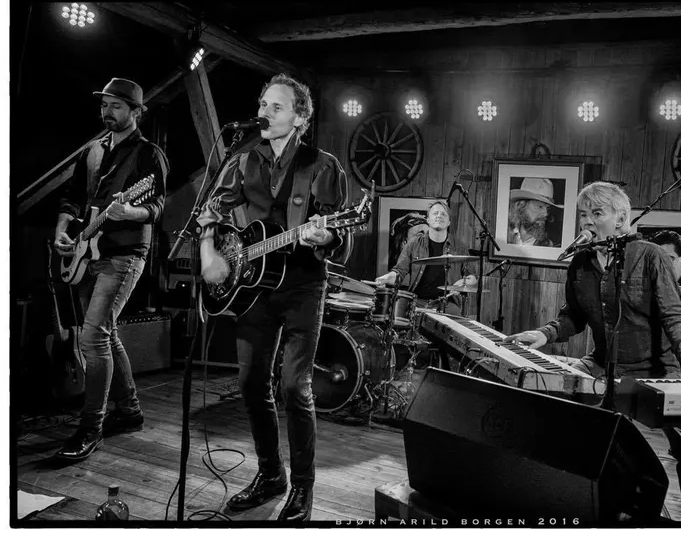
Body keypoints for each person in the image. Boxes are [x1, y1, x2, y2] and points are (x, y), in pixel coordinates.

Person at [505, 181, 681, 524]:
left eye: (597, 213)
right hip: (602, 364)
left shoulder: (649, 255)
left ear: (621, 218)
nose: (587, 221)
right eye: (583, 214)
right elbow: (573, 316)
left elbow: (673, 313)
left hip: (658, 368)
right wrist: (543, 333)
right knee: (558, 414)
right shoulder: (581, 261)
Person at [198, 73, 347, 522]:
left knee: (294, 386)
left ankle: (302, 486)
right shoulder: (243, 160)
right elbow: (210, 213)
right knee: (250, 382)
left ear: (300, 118)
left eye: (276, 107)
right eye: (263, 104)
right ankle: (270, 474)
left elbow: (340, 233)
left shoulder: (321, 165)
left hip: (303, 285)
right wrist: (212, 252)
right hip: (253, 288)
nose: (264, 113)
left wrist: (325, 237)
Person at [53, 78, 169, 462]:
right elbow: (71, 198)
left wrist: (129, 211)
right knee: (106, 334)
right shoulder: (92, 151)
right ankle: (130, 410)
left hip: (124, 254)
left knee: (92, 338)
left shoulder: (149, 154)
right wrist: (63, 230)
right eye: (104, 104)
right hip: (87, 251)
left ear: (136, 112)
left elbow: (156, 208)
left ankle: (91, 426)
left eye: (116, 106)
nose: (107, 112)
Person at [375, 200, 474, 315]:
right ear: (428, 220)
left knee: (454, 317)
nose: (439, 216)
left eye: (443, 214)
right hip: (417, 302)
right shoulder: (414, 244)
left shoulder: (459, 247)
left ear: (449, 222)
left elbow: (472, 277)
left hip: (447, 303)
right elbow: (399, 272)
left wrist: (461, 283)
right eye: (435, 213)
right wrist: (386, 278)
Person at [507, 177, 562, 247]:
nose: (545, 214)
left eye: (547, 208)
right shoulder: (504, 234)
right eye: (540, 206)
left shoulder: (550, 245)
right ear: (521, 206)